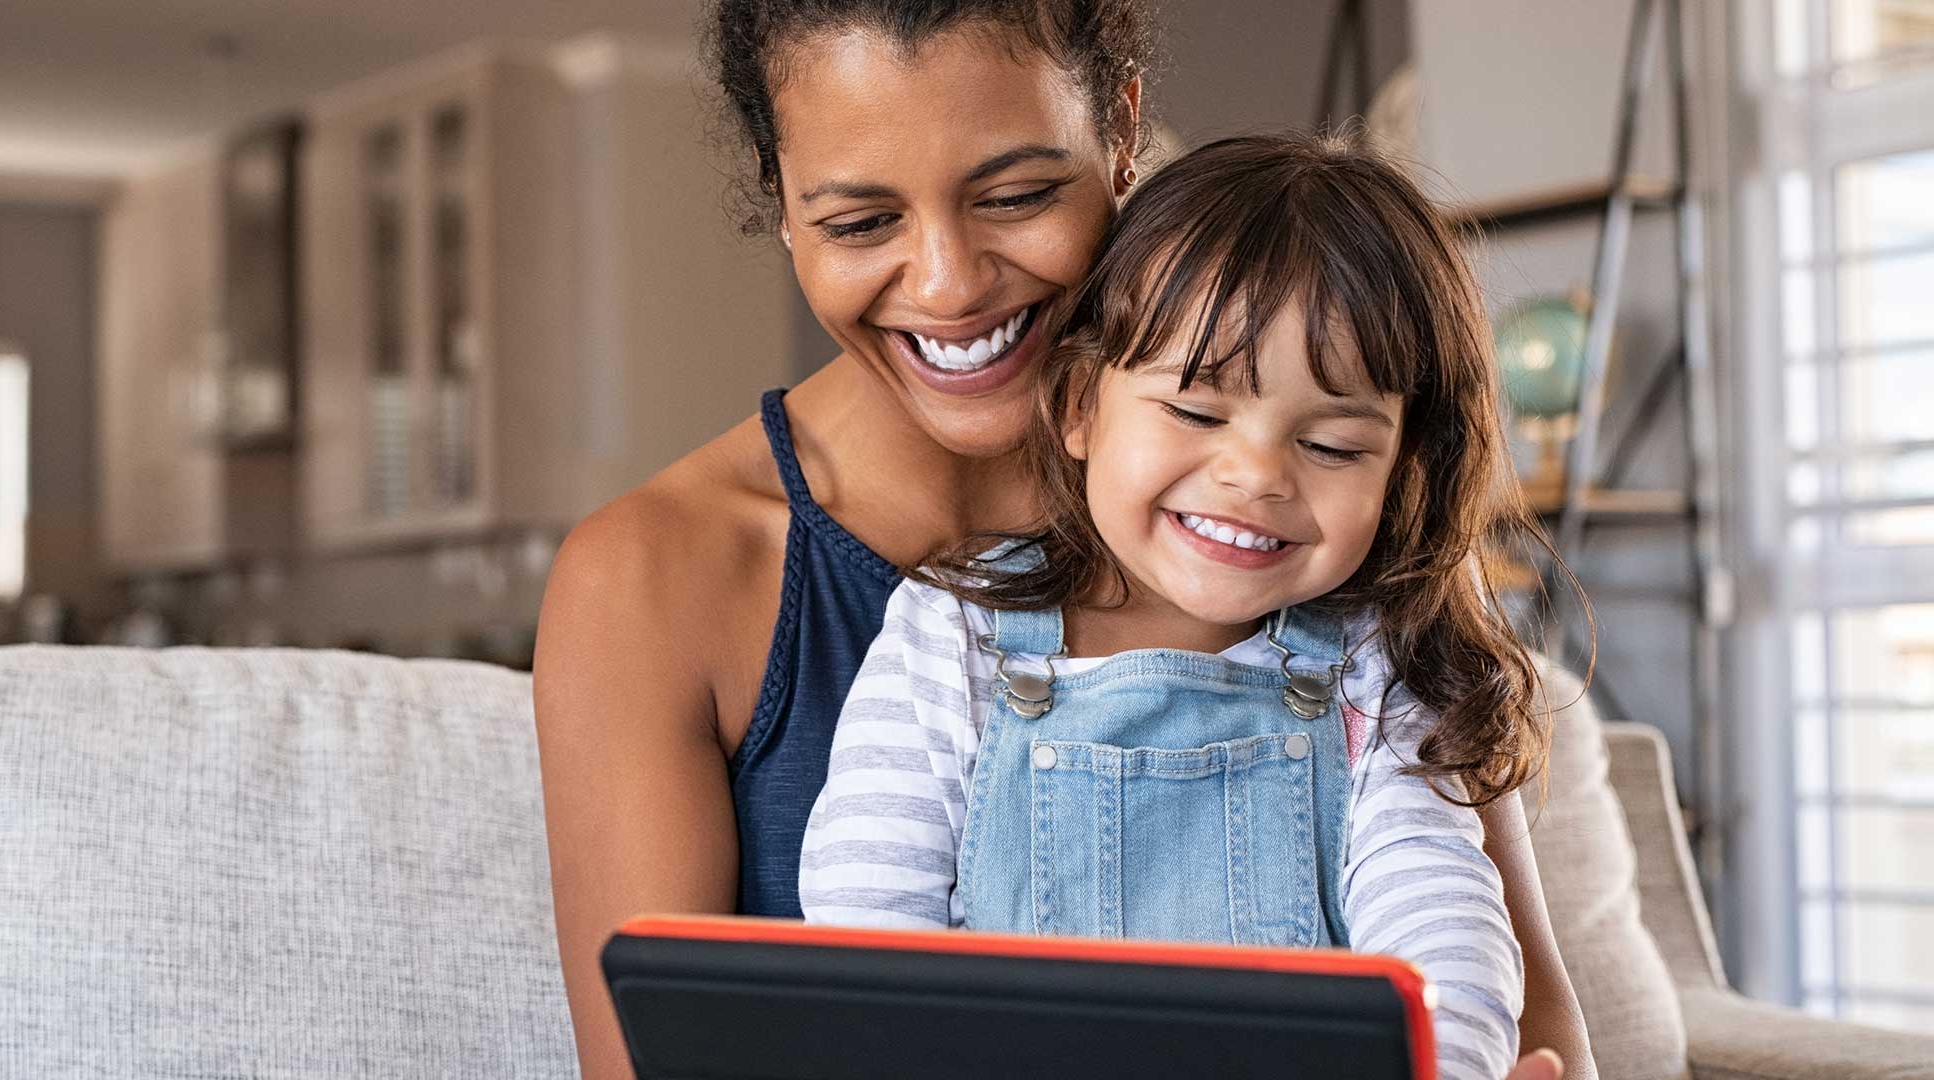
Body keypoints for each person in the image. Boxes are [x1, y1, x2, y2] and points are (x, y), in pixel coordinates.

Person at [533, 4, 1592, 1077]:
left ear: (1121, 131)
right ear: (783, 201)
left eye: (1017, 195)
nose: (946, 285)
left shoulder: (1315, 531)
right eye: (859, 222)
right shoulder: (652, 579)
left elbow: (1519, 1014)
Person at [799, 133, 1542, 1080]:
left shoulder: (1371, 664)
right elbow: (865, 927)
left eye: (1333, 447)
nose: (1256, 477)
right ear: (1078, 406)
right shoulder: (953, 632)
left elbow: (1443, 918)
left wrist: (1450, 1064)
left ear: (1401, 475)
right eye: (1196, 413)